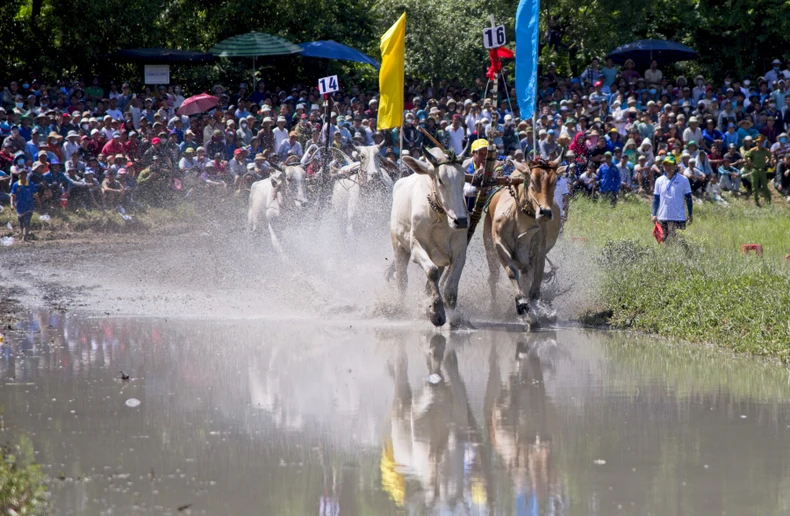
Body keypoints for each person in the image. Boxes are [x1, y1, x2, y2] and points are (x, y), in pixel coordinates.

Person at [652, 155, 693, 243]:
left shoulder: (683, 179)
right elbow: (656, 198)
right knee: (664, 241)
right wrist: (653, 214)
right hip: (663, 216)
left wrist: (690, 214)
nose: (668, 167)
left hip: (678, 216)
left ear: (675, 166)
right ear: (663, 167)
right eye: (666, 165)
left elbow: (688, 198)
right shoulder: (659, 180)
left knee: (678, 241)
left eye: (670, 165)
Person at [10, 167, 38, 241]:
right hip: (20, 206)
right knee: (21, 222)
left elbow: (36, 195)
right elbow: (13, 196)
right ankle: (22, 233)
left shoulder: (30, 184)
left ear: (26, 175)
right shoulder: (15, 185)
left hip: (29, 206)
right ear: (18, 175)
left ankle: (24, 237)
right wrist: (12, 204)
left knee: (27, 221)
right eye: (21, 175)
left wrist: (39, 205)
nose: (22, 176)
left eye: (24, 174)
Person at [744, 134, 772, 205]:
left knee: (765, 186)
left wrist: (767, 161)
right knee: (754, 187)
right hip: (755, 170)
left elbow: (770, 156)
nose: (759, 143)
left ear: (763, 143)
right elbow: (746, 155)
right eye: (758, 142)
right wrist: (749, 162)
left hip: (762, 170)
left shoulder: (765, 150)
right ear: (756, 143)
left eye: (761, 142)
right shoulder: (753, 150)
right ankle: (756, 201)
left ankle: (768, 200)